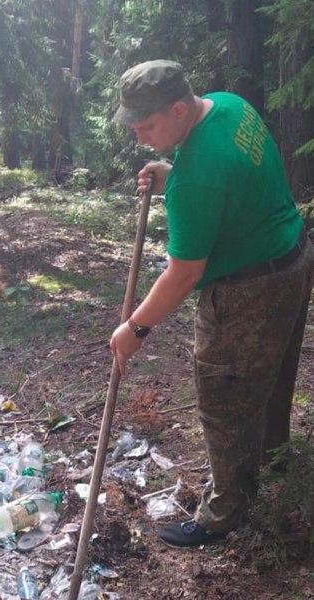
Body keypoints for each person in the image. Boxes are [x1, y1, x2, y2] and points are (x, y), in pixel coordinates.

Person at [109, 60, 314, 548]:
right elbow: (232, 174)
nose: (140, 138)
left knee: (225, 398)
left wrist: (135, 329)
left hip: (248, 292)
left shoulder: (196, 179)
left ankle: (225, 513)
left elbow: (184, 274)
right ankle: (273, 462)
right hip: (293, 258)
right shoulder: (228, 105)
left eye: (147, 127)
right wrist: (176, 170)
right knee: (271, 375)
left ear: (179, 109)